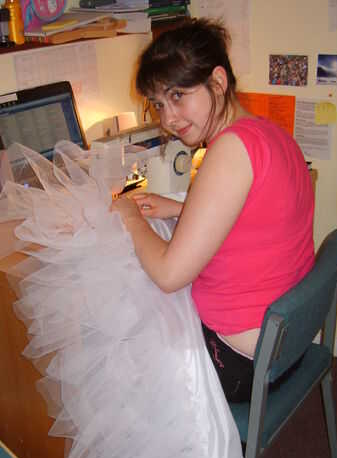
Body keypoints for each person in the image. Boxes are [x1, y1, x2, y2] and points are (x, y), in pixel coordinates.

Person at [113, 17, 315, 404]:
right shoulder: (269, 132)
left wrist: (129, 215)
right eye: (159, 104)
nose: (168, 119)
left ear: (217, 82)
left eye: (178, 95)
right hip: (289, 343)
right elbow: (257, 215)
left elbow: (170, 274)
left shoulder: (229, 150)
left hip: (242, 363)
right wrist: (182, 208)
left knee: (121, 335)